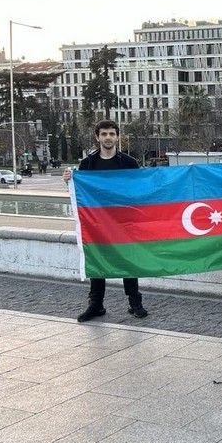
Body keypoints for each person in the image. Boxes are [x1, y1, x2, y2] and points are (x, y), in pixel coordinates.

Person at [62, 119, 146, 322]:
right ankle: (96, 304)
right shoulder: (87, 164)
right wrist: (69, 181)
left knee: (129, 262)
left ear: (117, 136)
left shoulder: (129, 163)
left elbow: (140, 190)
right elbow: (81, 194)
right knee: (97, 260)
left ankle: (135, 303)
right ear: (97, 137)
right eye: (104, 134)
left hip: (124, 223)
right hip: (98, 224)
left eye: (111, 134)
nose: (108, 137)